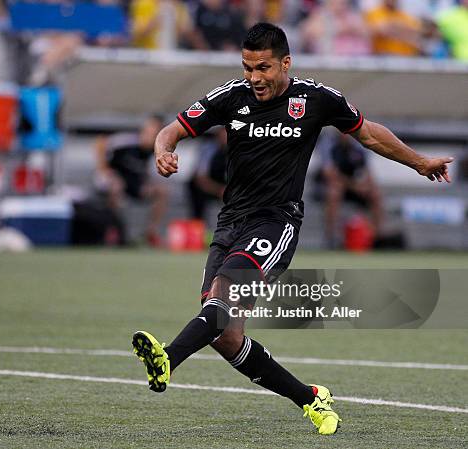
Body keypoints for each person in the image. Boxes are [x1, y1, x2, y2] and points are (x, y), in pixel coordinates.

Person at [132, 22, 452, 435]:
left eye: (263, 68)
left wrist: (420, 162)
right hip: (230, 224)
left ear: (286, 62)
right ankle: (311, 399)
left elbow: (369, 135)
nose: (255, 78)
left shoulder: (317, 99)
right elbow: (173, 129)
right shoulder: (231, 97)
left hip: (276, 223)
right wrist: (163, 151)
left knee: (220, 299)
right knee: (225, 335)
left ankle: (167, 359)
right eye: (248, 68)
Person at [94, 115, 168, 246]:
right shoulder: (127, 141)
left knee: (161, 191)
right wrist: (103, 169)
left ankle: (150, 233)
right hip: (112, 179)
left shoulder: (154, 150)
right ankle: (114, 231)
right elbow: (100, 142)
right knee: (116, 187)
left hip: (132, 183)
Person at [316, 131, 383, 248]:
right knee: (334, 192)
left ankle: (375, 237)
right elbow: (330, 174)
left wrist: (365, 186)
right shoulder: (328, 144)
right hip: (330, 185)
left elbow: (367, 172)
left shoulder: (359, 145)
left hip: (352, 186)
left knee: (375, 194)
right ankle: (331, 237)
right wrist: (354, 186)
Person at [187, 126, 227, 220]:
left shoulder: (239, 150)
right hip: (210, 189)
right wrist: (219, 190)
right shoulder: (209, 149)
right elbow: (201, 178)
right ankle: (199, 225)